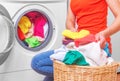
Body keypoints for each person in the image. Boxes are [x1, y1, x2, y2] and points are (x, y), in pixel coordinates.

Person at [31, 0, 120, 81]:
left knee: (37, 62)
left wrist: (103, 34)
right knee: (49, 79)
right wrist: (72, 32)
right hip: (79, 45)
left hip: (97, 47)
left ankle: (75, 76)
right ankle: (76, 76)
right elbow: (69, 21)